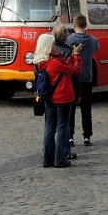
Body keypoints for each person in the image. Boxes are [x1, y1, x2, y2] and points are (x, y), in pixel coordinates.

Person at [34, 33, 83, 168]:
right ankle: (59, 159)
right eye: (53, 44)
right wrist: (76, 55)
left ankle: (48, 159)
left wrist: (69, 57)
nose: (55, 46)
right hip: (62, 97)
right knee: (62, 127)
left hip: (49, 98)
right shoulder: (54, 63)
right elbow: (76, 69)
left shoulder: (41, 62)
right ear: (49, 46)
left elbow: (62, 68)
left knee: (49, 128)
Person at [66, 15, 99, 146]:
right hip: (87, 77)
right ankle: (87, 136)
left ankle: (70, 137)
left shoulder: (70, 39)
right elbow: (97, 48)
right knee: (86, 108)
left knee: (71, 108)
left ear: (74, 25)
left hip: (73, 78)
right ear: (86, 26)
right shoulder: (92, 40)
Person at [51, 24, 78, 160]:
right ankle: (64, 152)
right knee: (64, 125)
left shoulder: (49, 51)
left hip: (50, 92)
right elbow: (74, 70)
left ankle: (48, 152)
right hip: (64, 91)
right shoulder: (67, 51)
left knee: (50, 125)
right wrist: (76, 54)